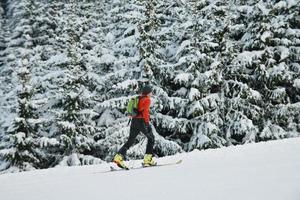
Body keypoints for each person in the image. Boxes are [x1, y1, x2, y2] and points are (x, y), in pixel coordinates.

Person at [113, 85, 156, 168]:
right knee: (151, 138)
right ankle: (147, 159)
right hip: (142, 121)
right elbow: (145, 112)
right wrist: (147, 123)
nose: (151, 93)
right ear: (148, 92)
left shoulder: (138, 98)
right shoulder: (147, 99)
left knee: (131, 140)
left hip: (134, 121)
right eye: (151, 92)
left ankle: (118, 157)